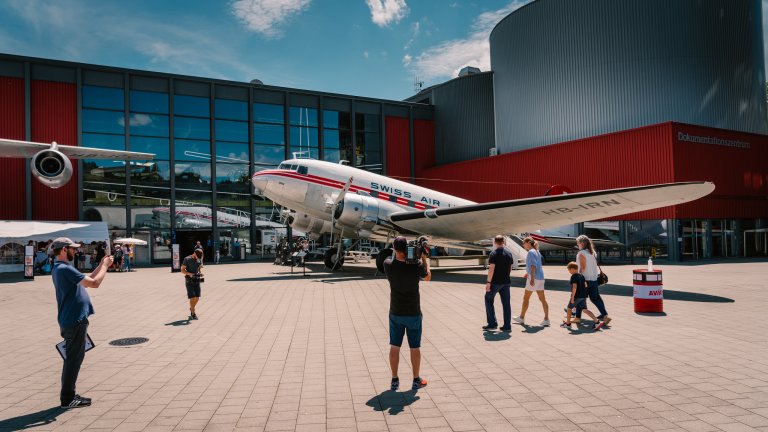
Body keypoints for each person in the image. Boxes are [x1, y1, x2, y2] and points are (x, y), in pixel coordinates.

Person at [50, 237, 113, 408]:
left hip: (73, 319)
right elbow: (95, 283)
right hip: (74, 320)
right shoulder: (64, 269)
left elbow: (87, 281)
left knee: (73, 358)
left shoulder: (61, 268)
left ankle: (69, 396)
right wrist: (106, 267)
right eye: (72, 248)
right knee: (73, 360)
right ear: (64, 250)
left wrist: (101, 264)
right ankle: (68, 398)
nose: (76, 251)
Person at [383, 236, 431, 391]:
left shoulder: (387, 265)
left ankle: (394, 379)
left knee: (394, 346)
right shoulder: (416, 265)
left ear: (395, 249)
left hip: (396, 312)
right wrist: (424, 259)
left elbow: (392, 259)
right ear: (406, 249)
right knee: (414, 347)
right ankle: (416, 380)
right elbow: (427, 278)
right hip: (413, 312)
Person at [513, 237, 550, 327]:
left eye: (524, 243)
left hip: (534, 278)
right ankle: (546, 319)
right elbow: (536, 265)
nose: (523, 244)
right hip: (541, 277)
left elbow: (533, 265)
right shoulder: (537, 251)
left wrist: (532, 277)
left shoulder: (530, 252)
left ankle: (521, 318)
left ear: (529, 242)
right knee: (543, 299)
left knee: (526, 298)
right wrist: (528, 273)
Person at [576, 235, 612, 326]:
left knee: (580, 298)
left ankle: (577, 318)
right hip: (594, 279)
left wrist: (578, 277)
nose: (577, 244)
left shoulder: (581, 253)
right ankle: (605, 315)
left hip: (585, 280)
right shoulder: (593, 253)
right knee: (595, 298)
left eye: (578, 243)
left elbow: (583, 267)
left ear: (582, 243)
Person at [483, 235, 514, 332]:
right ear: (504, 242)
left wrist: (488, 282)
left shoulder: (494, 253)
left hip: (495, 282)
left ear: (495, 242)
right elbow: (510, 268)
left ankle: (492, 323)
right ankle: (507, 326)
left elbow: (491, 268)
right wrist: (506, 276)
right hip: (506, 282)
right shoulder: (509, 253)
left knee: (488, 299)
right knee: (506, 304)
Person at [561, 262, 604, 330]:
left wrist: (572, 297)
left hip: (576, 296)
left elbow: (574, 287)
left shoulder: (573, 276)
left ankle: (568, 324)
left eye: (569, 270)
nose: (569, 272)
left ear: (572, 269)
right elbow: (586, 285)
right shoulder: (581, 275)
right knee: (584, 310)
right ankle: (597, 321)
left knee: (569, 308)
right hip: (583, 296)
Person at [181, 249, 204, 320]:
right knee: (193, 297)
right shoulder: (187, 259)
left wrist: (200, 272)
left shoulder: (199, 259)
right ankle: (193, 313)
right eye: (196, 257)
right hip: (189, 280)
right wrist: (190, 274)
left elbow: (199, 268)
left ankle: (191, 307)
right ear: (194, 253)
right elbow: (182, 270)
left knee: (197, 298)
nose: (197, 258)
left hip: (197, 279)